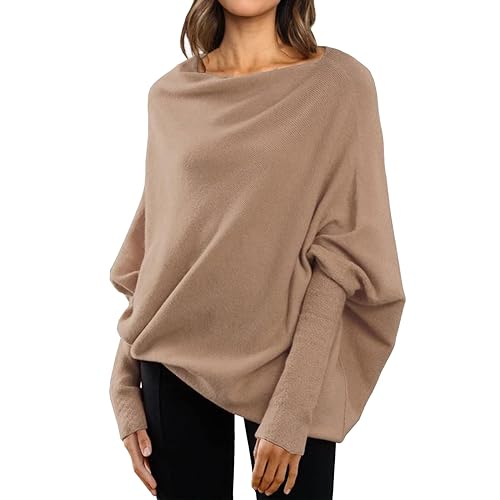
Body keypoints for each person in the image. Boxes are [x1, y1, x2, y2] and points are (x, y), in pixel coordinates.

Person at [108, 1, 406, 499]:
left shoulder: (339, 86)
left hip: (291, 368)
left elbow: (342, 257)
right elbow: (160, 249)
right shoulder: (169, 95)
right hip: (171, 364)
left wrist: (293, 408)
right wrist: (123, 384)